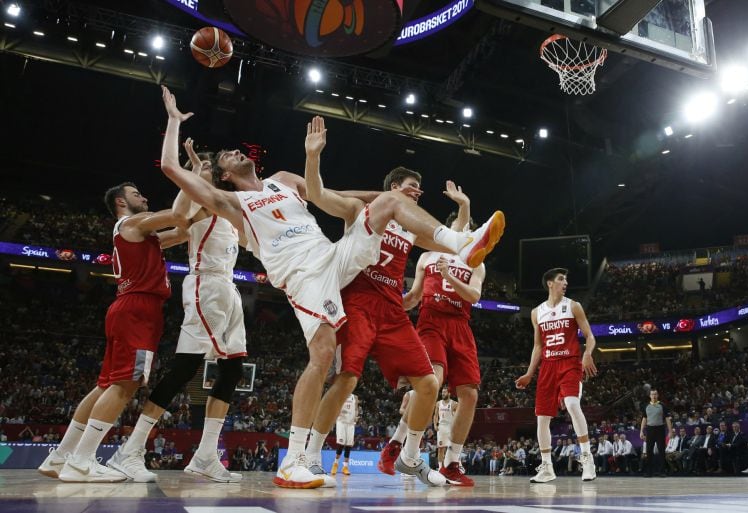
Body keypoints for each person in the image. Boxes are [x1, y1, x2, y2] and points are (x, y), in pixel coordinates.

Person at [158, 88, 505, 488]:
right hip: (301, 274)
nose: (235, 153)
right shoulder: (229, 202)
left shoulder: (284, 181)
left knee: (391, 205)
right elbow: (169, 166)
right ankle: (295, 460)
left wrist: (374, 194)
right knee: (322, 355)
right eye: (227, 157)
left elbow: (327, 195)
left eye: (236, 151)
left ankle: (462, 243)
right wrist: (172, 120)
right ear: (222, 174)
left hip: (332, 257)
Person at [302, 169, 478, 488]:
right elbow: (319, 194)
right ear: (394, 188)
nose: (419, 192)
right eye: (412, 187)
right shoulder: (362, 210)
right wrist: (313, 157)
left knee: (427, 384)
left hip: (393, 309)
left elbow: (451, 244)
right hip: (358, 301)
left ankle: (409, 457)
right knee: (347, 379)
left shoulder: (411, 229)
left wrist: (468, 222)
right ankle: (311, 457)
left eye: (421, 188)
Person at [106, 140, 246, 483]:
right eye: (209, 166)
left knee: (233, 370)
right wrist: (193, 175)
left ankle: (206, 455)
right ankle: (131, 449)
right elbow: (172, 231)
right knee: (184, 367)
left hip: (229, 290)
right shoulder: (201, 204)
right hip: (206, 286)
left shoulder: (230, 206)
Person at [38, 182, 188, 482]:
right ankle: (82, 461)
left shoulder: (142, 235)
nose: (144, 197)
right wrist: (192, 179)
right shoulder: (133, 222)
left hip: (127, 307)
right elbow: (179, 215)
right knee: (125, 385)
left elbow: (182, 231)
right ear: (121, 202)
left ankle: (60, 456)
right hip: (139, 310)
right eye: (136, 194)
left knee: (106, 385)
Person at [401, 210, 486, 486]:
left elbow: (473, 295)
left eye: (467, 233)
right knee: (433, 382)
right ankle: (409, 449)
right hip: (431, 322)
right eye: (457, 228)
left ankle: (451, 463)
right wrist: (387, 304)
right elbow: (413, 297)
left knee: (470, 396)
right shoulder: (428, 256)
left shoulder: (476, 262)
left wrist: (451, 275)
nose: (462, 233)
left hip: (460, 325)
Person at [515, 268, 598, 483]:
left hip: (570, 362)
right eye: (561, 279)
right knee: (542, 418)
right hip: (548, 367)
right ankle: (547, 467)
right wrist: (529, 373)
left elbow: (590, 336)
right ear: (550, 283)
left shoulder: (573, 306)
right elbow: (537, 347)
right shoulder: (536, 312)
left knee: (571, 404)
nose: (565, 282)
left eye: (566, 279)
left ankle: (587, 458)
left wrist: (587, 354)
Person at [639, 388, 672, 477]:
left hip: (660, 429)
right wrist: (641, 431)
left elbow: (667, 419)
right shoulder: (646, 406)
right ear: (650, 396)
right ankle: (649, 472)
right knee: (649, 451)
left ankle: (662, 472)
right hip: (650, 430)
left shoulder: (662, 405)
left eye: (655, 394)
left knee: (661, 451)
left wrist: (670, 431)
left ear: (658, 395)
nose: (654, 396)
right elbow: (644, 419)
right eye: (652, 394)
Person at [330, 393, 359, 476]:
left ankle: (345, 467)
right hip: (341, 422)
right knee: (341, 444)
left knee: (348, 445)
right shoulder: (339, 394)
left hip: (350, 423)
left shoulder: (355, 397)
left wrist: (356, 416)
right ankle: (335, 464)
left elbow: (356, 409)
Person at [432, 388, 458, 472]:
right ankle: (440, 468)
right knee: (440, 449)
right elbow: (435, 416)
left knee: (451, 449)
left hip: (450, 427)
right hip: (441, 428)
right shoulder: (438, 403)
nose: (443, 393)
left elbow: (458, 417)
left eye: (444, 392)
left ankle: (452, 467)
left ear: (449, 393)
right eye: (442, 392)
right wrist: (435, 424)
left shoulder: (454, 404)